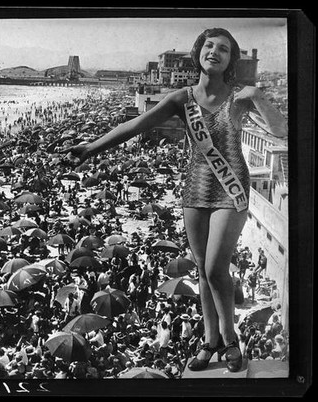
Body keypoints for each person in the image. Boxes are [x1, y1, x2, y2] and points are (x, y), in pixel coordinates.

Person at [61, 27, 287, 373]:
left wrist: (258, 96)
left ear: (230, 60)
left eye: (223, 49)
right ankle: (209, 340)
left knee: (215, 267)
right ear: (198, 52)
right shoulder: (182, 98)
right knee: (201, 269)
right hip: (195, 186)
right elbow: (136, 125)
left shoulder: (239, 96)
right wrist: (91, 148)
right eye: (209, 45)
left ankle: (230, 338)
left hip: (231, 187)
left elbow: (280, 130)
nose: (214, 51)